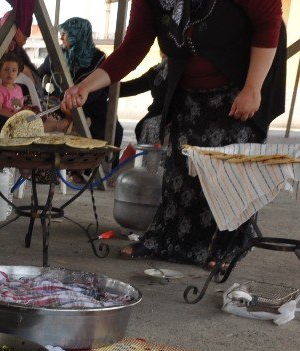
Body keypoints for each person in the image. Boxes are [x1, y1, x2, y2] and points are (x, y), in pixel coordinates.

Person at [61, 0, 286, 266]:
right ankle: (165, 243)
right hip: (188, 91)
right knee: (182, 173)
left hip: (240, 88)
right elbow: (133, 47)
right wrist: (87, 86)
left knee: (227, 174)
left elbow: (268, 21)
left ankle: (223, 250)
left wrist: (253, 88)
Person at [37, 17, 120, 142]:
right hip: (61, 107)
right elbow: (38, 74)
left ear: (76, 36)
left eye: (64, 34)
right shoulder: (57, 55)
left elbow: (99, 89)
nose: (61, 38)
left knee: (114, 131)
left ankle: (100, 161)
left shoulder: (98, 58)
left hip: (92, 108)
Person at [118, 59, 168, 145]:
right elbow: (131, 87)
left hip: (171, 126)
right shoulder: (157, 71)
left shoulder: (189, 70)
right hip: (153, 125)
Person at [0, 53, 27, 118]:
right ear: (0, 71)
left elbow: (20, 106)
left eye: (13, 70)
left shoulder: (18, 88)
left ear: (17, 73)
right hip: (6, 120)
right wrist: (14, 117)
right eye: (6, 70)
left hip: (20, 118)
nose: (10, 73)